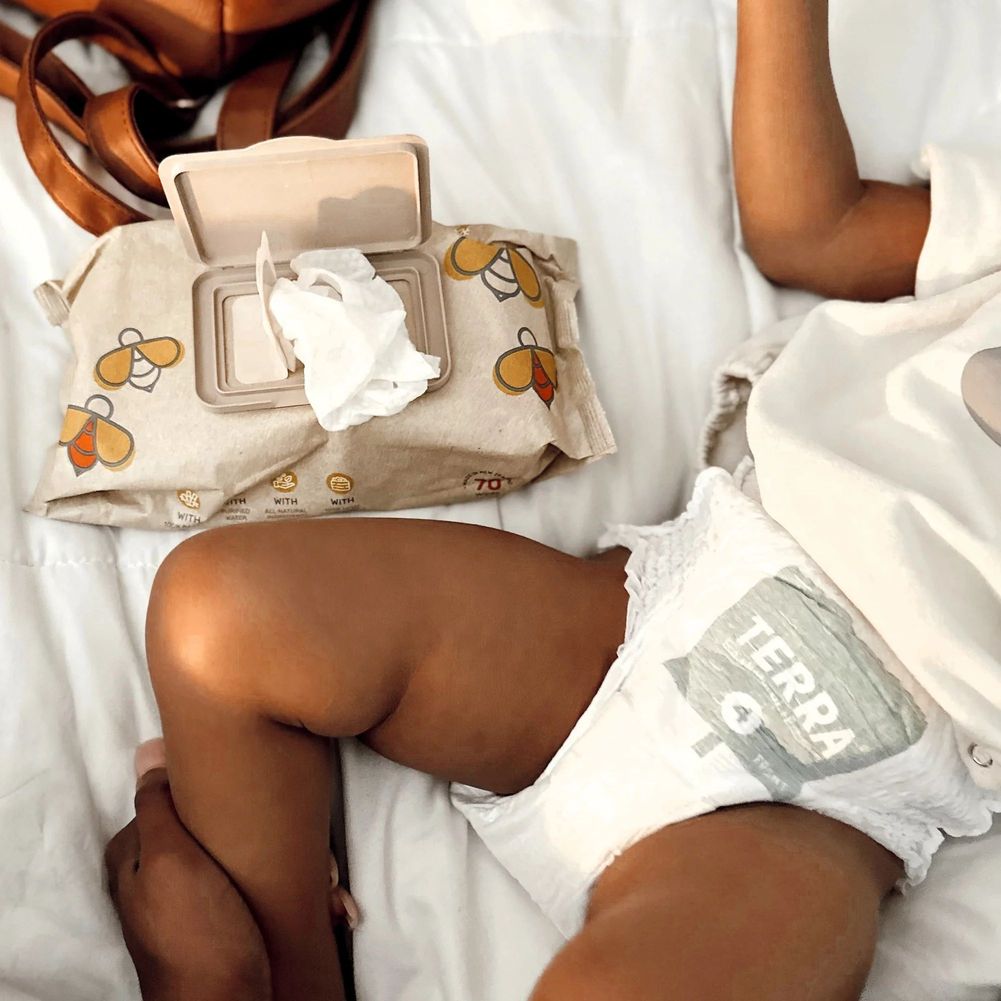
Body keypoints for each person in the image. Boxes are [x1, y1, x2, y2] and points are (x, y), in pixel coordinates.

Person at [105, 2, 994, 999]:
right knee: (221, 615)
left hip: (830, 791)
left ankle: (214, 976)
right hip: (649, 612)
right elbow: (812, 230)